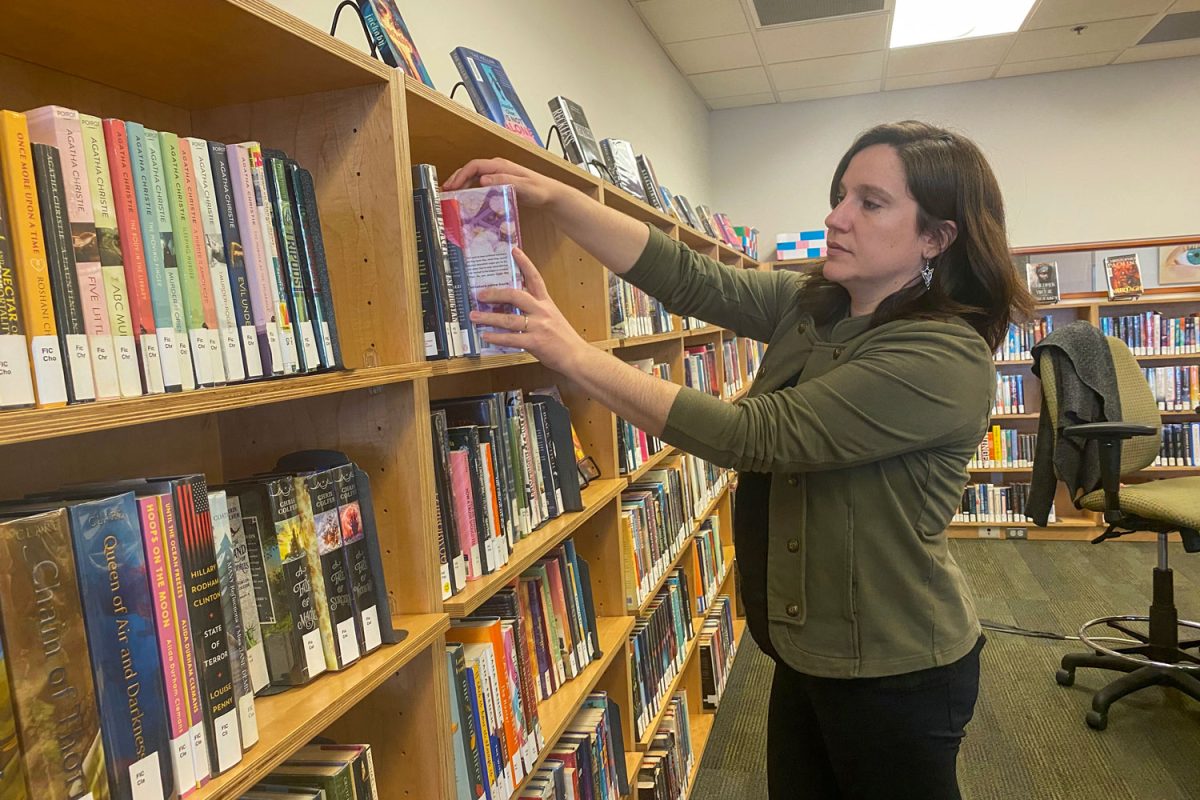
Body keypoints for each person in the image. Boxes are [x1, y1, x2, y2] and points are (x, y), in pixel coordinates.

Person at [444, 120, 1034, 799]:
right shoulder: (817, 306)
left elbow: (753, 433)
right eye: (841, 195)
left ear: (936, 237)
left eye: (869, 203)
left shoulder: (941, 357)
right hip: (808, 648)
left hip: (895, 665)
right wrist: (557, 198)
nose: (835, 217)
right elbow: (691, 278)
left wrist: (574, 356)